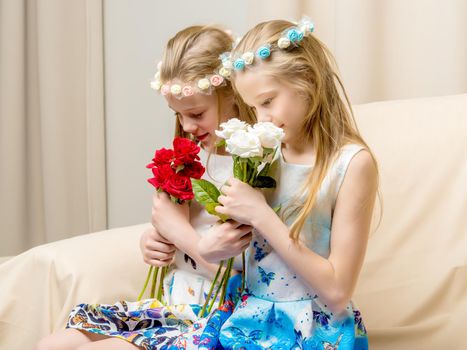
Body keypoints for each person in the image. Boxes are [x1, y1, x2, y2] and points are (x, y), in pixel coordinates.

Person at [35, 25, 254, 350]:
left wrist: (180, 233)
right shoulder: (192, 157)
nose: (187, 127)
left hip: (217, 316)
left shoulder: (251, 166)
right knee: (49, 345)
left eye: (196, 113)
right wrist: (155, 241)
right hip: (173, 302)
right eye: (178, 115)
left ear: (233, 96)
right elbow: (176, 230)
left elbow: (249, 278)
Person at [198, 18, 379, 349]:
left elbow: (338, 293)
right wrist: (210, 247)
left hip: (311, 331)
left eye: (267, 101)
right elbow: (243, 255)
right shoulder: (261, 152)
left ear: (307, 80)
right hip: (243, 317)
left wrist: (262, 215)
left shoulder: (350, 164)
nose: (260, 119)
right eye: (252, 107)